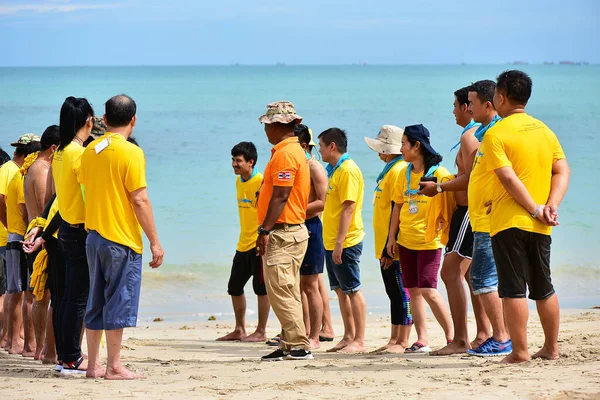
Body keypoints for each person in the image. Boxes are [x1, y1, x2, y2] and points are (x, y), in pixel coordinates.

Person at [484, 70, 569, 363]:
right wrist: (550, 206)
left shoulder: (496, 132)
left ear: (501, 97)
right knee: (543, 287)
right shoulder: (544, 130)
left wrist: (533, 207)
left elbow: (508, 178)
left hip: (510, 220)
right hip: (542, 222)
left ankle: (520, 352)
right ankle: (551, 348)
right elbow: (562, 170)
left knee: (513, 289)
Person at [80, 94, 164, 379]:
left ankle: (92, 366)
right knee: (118, 300)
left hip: (93, 237)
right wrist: (154, 241)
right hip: (120, 238)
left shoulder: (90, 150)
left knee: (95, 300)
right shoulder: (131, 152)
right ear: (133, 120)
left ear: (104, 119)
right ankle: (113, 366)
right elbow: (139, 199)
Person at [387, 124, 453, 353]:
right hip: (406, 240)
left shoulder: (440, 173)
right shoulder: (403, 174)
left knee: (428, 290)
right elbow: (397, 206)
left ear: (417, 145)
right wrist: (391, 238)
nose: (401, 148)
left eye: (404, 143)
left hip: (429, 241)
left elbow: (450, 205)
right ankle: (422, 339)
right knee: (413, 290)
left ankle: (452, 336)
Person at [256, 101, 312, 361]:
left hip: (283, 231)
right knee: (286, 290)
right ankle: (289, 342)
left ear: (277, 126)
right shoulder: (289, 151)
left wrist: (264, 230)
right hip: (289, 230)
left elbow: (281, 195)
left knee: (280, 288)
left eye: (268, 125)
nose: (266, 130)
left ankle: (298, 345)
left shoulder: (286, 154)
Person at [52, 96, 95, 374]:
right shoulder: (77, 153)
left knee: (68, 296)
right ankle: (70, 357)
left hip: (65, 227)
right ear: (88, 121)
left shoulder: (59, 151)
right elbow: (89, 188)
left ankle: (65, 355)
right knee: (78, 297)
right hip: (78, 229)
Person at [319, 127, 367, 354]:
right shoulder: (333, 170)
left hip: (346, 241)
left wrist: (340, 242)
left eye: (321, 145)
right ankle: (348, 335)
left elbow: (349, 208)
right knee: (339, 290)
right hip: (330, 240)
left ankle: (359, 339)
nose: (319, 150)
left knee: (352, 289)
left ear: (332, 146)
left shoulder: (348, 170)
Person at [365, 125, 412, 353]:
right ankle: (394, 339)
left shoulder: (398, 170)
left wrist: (390, 245)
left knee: (401, 291)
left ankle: (403, 340)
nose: (378, 153)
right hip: (384, 242)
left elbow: (398, 208)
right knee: (392, 292)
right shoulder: (388, 172)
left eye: (381, 148)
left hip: (392, 244)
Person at [217, 141, 270, 342]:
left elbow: (269, 212)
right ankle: (240, 329)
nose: (234, 164)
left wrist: (264, 237)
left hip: (259, 244)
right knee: (234, 286)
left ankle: (261, 331)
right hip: (243, 243)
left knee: (261, 289)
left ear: (251, 161)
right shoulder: (240, 181)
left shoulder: (261, 181)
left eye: (238, 160)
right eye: (233, 160)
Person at [294, 124, 334, 349]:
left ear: (302, 145)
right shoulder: (296, 166)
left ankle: (315, 336)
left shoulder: (314, 168)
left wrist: (295, 210)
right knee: (297, 285)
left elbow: (321, 202)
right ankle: (302, 331)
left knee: (310, 285)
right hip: (294, 226)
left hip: (310, 226)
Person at [23, 125, 60, 361]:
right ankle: (43, 349)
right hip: (40, 234)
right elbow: (46, 205)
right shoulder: (44, 169)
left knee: (37, 295)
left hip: (31, 232)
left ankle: (38, 348)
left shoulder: (31, 167)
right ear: (54, 148)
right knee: (44, 295)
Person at [5, 136, 41, 356]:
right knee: (26, 294)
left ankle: (12, 341)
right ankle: (26, 344)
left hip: (13, 236)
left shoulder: (17, 176)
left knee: (15, 292)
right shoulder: (22, 177)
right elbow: (26, 211)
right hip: (21, 237)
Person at [0, 147, 13, 348]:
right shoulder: (8, 170)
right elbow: (2, 199)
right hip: (3, 240)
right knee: (4, 293)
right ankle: (5, 337)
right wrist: (9, 224)